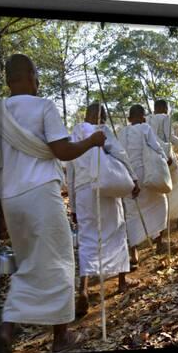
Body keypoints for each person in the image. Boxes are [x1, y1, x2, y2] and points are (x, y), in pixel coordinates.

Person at [0, 54, 107, 353]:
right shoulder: (43, 106)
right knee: (60, 261)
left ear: (8, 80)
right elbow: (61, 150)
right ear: (32, 76)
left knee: (28, 264)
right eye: (36, 75)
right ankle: (61, 338)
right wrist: (92, 141)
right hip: (41, 193)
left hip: (10, 198)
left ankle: (7, 328)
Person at [67, 103, 139, 317]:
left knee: (88, 239)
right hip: (105, 187)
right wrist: (133, 178)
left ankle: (83, 290)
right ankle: (121, 282)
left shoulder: (73, 138)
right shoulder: (102, 132)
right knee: (116, 231)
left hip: (82, 193)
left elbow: (69, 174)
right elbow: (120, 154)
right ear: (102, 118)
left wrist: (72, 205)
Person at [119, 105, 169, 261]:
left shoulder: (121, 132)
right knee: (160, 202)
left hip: (127, 176)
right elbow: (156, 147)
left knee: (132, 213)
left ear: (129, 119)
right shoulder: (145, 128)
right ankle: (159, 241)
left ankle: (133, 253)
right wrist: (166, 159)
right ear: (142, 117)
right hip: (145, 175)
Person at [146, 100, 178, 229]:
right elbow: (169, 138)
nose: (167, 110)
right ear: (162, 107)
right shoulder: (164, 118)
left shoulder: (148, 120)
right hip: (166, 157)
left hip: (152, 159)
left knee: (163, 189)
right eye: (166, 107)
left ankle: (165, 220)